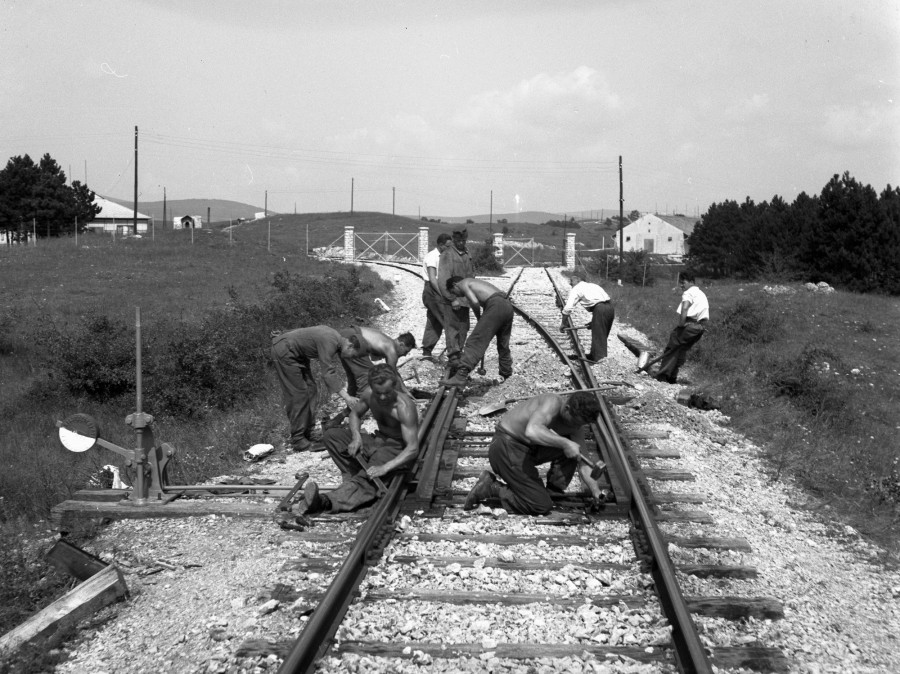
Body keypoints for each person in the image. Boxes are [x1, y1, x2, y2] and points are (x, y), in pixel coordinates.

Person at [301, 364, 419, 514]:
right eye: (378, 393)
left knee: (369, 477)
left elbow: (413, 448)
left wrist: (385, 467)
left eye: (387, 393)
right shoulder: (369, 394)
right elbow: (355, 414)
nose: (383, 397)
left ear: (394, 386)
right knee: (332, 436)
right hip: (377, 441)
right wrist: (356, 437)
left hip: (395, 447)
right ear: (371, 387)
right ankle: (353, 478)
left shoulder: (404, 407)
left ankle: (326, 502)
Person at [464, 391, 606, 515]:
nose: (577, 427)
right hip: (506, 447)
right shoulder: (552, 403)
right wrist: (566, 443)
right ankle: (491, 487)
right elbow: (532, 431)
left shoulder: (576, 426)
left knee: (574, 450)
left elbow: (583, 462)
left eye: (581, 424)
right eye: (575, 422)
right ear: (567, 409)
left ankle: (553, 493)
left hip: (526, 450)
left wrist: (596, 491)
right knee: (540, 505)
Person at [271, 326, 361, 452]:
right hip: (285, 350)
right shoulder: (330, 342)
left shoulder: (336, 339)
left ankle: (308, 432)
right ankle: (298, 439)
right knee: (298, 394)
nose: (350, 358)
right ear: (350, 346)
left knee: (311, 390)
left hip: (296, 352)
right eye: (353, 354)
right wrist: (347, 397)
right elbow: (328, 373)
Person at [324, 327, 416, 428]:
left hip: (346, 336)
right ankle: (355, 414)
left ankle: (346, 412)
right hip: (353, 339)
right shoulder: (392, 350)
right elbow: (393, 375)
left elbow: (393, 372)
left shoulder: (387, 341)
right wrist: (403, 398)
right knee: (368, 376)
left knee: (353, 379)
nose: (405, 355)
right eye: (406, 351)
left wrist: (405, 390)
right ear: (401, 344)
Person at [439, 276, 513, 387]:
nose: (457, 296)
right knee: (503, 344)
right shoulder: (475, 282)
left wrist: (479, 317)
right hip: (507, 305)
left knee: (476, 340)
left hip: (496, 305)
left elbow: (474, 302)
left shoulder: (463, 283)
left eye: (454, 292)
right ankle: (506, 374)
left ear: (455, 285)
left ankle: (460, 376)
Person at [654, 272, 709, 384]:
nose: (681, 285)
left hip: (691, 325)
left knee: (672, 348)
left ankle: (663, 376)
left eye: (683, 282)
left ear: (691, 282)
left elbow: (685, 308)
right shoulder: (700, 293)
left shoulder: (688, 292)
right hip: (700, 327)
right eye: (680, 283)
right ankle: (672, 377)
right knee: (681, 349)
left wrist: (681, 325)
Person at [437, 229, 476, 375]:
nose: (461, 243)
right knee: (452, 329)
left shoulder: (467, 254)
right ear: (454, 240)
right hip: (452, 299)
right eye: (459, 241)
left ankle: (459, 357)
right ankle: (453, 359)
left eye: (463, 241)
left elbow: (472, 276)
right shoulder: (447, 254)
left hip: (465, 299)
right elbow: (442, 280)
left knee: (463, 329)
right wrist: (452, 299)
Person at [559, 271, 614, 363]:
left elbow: (568, 308)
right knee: (602, 334)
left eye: (571, 282)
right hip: (610, 308)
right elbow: (601, 302)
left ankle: (599, 360)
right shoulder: (593, 285)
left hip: (600, 309)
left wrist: (563, 324)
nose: (571, 285)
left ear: (576, 281)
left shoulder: (576, 289)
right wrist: (594, 322)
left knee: (599, 335)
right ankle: (594, 356)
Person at [421, 232, 452, 360]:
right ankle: (453, 352)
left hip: (437, 289)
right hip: (433, 290)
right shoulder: (432, 257)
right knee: (447, 319)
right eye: (447, 246)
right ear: (440, 245)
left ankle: (427, 350)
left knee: (434, 320)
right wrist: (442, 294)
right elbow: (433, 279)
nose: (449, 248)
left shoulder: (444, 256)